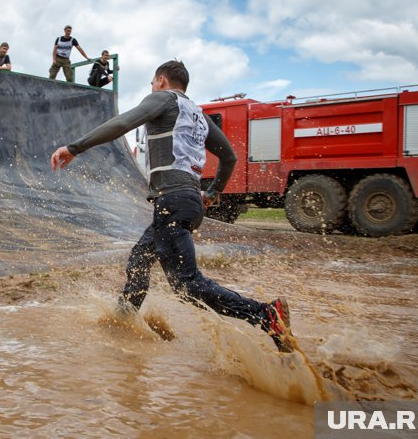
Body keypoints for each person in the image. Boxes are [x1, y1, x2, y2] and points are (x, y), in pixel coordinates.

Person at [50, 60, 294, 353]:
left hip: (173, 200)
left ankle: (266, 315)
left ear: (162, 80)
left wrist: (75, 147)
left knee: (187, 286)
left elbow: (123, 123)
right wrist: (213, 191)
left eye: (152, 83)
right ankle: (123, 318)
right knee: (141, 256)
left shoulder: (163, 99)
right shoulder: (200, 115)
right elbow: (229, 157)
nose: (151, 89)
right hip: (187, 200)